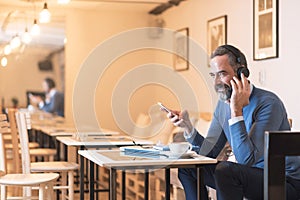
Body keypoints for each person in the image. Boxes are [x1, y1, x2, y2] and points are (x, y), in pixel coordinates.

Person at [165, 45, 300, 200]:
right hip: (250, 177)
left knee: (225, 171)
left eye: (222, 74)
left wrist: (236, 110)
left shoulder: (268, 103)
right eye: (213, 75)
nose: (216, 82)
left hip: (283, 182)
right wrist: (188, 127)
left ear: (242, 73)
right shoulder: (223, 106)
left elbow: (246, 160)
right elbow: (208, 153)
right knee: (188, 168)